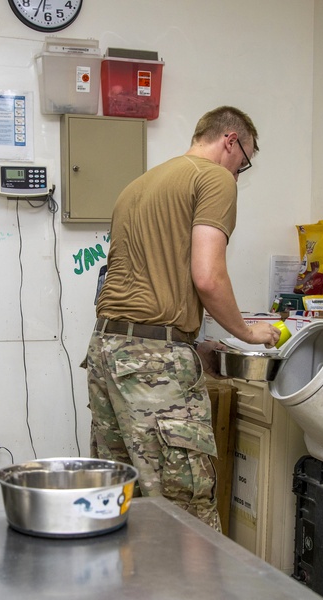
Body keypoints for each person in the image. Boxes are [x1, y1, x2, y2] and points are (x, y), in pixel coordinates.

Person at [85, 106, 280, 531]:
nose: (240, 172)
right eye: (244, 161)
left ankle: (129, 595)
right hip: (153, 362)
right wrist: (247, 332)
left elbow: (149, 280)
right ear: (231, 140)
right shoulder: (214, 178)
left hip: (106, 351)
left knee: (120, 501)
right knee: (184, 508)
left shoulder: (138, 185)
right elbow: (207, 277)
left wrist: (189, 339)